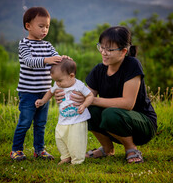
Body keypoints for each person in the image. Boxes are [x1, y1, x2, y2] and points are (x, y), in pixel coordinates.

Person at [55, 26, 157, 163]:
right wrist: (64, 96)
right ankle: (107, 148)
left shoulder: (132, 65)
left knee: (109, 113)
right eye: (101, 48)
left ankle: (131, 149)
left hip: (142, 124)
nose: (103, 52)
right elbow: (85, 96)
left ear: (123, 51)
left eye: (109, 50)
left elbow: (127, 103)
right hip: (115, 122)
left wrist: (92, 101)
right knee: (87, 109)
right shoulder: (99, 70)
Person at [10, 6, 66, 161]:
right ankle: (16, 150)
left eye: (47, 26)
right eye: (41, 26)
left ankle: (39, 150)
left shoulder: (47, 45)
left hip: (45, 93)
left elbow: (56, 59)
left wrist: (63, 59)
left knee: (41, 123)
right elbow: (29, 61)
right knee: (25, 122)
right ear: (28, 26)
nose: (45, 30)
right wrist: (47, 60)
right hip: (28, 92)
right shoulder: (24, 44)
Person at [35, 58, 94, 165]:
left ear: (71, 76)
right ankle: (66, 156)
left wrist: (84, 105)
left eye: (59, 80)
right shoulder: (58, 84)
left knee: (76, 141)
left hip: (77, 120)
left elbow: (90, 96)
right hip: (63, 119)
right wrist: (43, 101)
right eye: (55, 81)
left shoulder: (79, 85)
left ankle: (77, 160)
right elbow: (50, 91)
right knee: (60, 138)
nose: (57, 83)